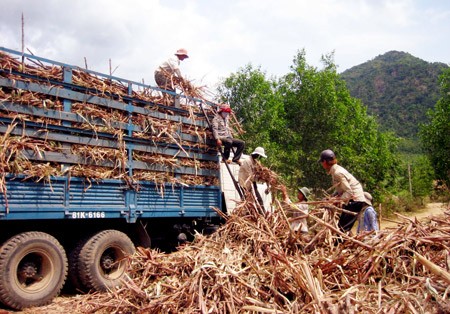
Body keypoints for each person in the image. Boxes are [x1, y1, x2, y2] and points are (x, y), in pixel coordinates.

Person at [318, 149, 366, 233]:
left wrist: (336, 200)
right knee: (342, 227)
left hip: (355, 200)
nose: (322, 164)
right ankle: (342, 242)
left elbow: (349, 192)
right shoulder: (335, 171)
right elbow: (340, 189)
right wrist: (332, 197)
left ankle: (341, 243)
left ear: (325, 162)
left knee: (342, 229)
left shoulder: (337, 173)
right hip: (353, 200)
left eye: (322, 162)